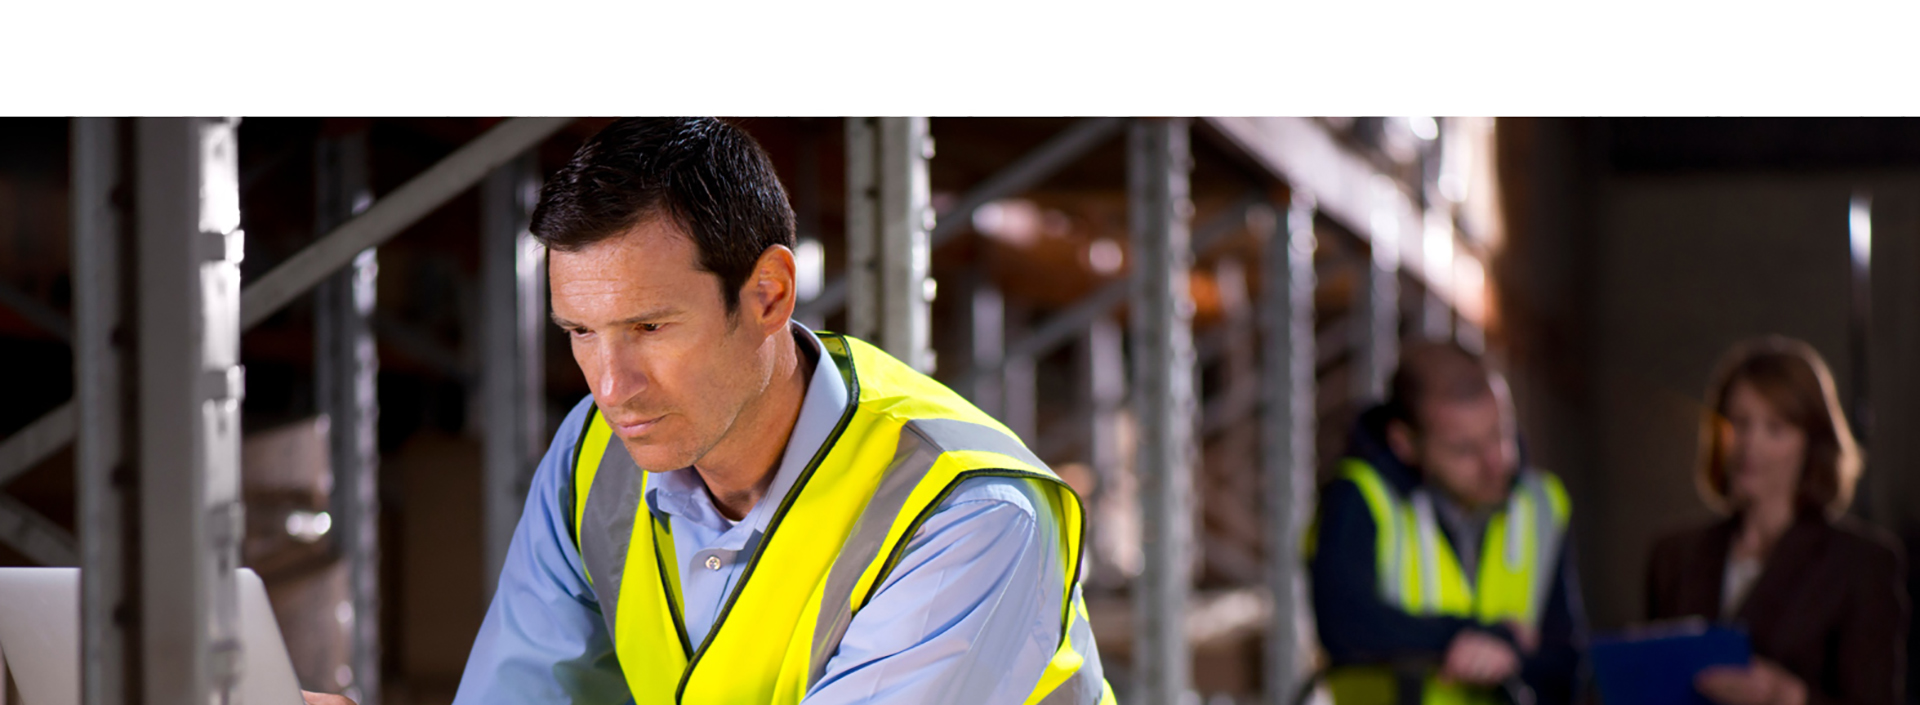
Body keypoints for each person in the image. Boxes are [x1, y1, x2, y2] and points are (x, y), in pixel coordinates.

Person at [303, 117, 1111, 705]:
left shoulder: (969, 514)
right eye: (580, 332)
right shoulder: (595, 457)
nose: (611, 386)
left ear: (768, 295)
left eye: (650, 328)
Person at [1308, 341, 1587, 705]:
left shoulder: (1541, 505)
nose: (1495, 463)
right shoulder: (1361, 498)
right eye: (1464, 449)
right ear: (1404, 443)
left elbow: (1567, 662)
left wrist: (1510, 656)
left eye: (1500, 434)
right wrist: (1470, 636)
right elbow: (1345, 625)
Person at [1646, 336, 1907, 705]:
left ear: (1811, 443)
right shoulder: (1674, 556)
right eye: (1739, 423)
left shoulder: (1862, 564)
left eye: (1775, 428)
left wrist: (1788, 696)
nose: (1750, 445)